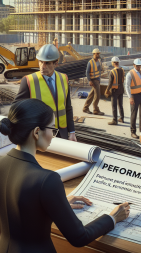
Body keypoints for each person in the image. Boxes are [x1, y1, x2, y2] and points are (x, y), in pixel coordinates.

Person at [0, 99, 130, 253]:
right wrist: (113, 218)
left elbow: (20, 210)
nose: (53, 136)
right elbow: (79, 237)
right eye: (52, 129)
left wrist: (57, 204)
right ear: (36, 132)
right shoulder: (47, 180)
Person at [14, 44, 76, 141]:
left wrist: (72, 132)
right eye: (41, 62)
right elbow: (16, 108)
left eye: (47, 63)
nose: (42, 66)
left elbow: (67, 107)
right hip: (40, 134)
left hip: (62, 132)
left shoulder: (63, 78)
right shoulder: (29, 81)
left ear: (56, 63)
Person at [125, 58, 141, 139]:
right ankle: (133, 132)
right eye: (137, 66)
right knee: (134, 114)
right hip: (134, 96)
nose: (138, 67)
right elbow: (127, 86)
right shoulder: (130, 74)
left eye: (139, 66)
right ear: (134, 65)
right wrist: (130, 97)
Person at [83, 48, 104, 116]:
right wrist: (89, 80)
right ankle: (96, 110)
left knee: (91, 95)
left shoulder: (99, 61)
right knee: (97, 95)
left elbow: (100, 69)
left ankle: (85, 108)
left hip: (97, 80)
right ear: (94, 54)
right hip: (93, 80)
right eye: (97, 54)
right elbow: (87, 72)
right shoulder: (90, 62)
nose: (98, 55)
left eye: (98, 54)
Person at [105, 56, 125, 125]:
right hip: (121, 89)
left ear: (113, 63)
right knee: (120, 105)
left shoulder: (112, 72)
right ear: (118, 62)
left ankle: (115, 120)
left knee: (114, 105)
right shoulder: (122, 70)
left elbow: (110, 83)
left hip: (115, 90)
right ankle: (122, 118)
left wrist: (107, 90)